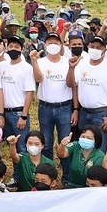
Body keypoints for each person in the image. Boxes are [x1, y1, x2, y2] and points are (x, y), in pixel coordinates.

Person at [68, 36, 107, 150]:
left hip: (102, 114)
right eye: (92, 46)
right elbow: (72, 84)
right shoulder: (81, 64)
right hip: (84, 113)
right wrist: (71, 68)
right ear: (88, 47)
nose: (95, 49)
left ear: (104, 50)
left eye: (98, 48)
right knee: (84, 147)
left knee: (101, 148)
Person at [32, 33, 74, 162]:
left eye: (56, 43)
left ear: (61, 45)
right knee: (47, 143)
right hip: (45, 107)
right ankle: (48, 173)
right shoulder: (40, 62)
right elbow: (39, 79)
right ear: (45, 45)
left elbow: (71, 84)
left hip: (64, 107)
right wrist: (34, 62)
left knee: (65, 142)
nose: (53, 46)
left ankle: (67, 178)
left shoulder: (67, 62)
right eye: (50, 43)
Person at [0, 34, 36, 145]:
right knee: (11, 146)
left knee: (22, 147)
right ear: (6, 48)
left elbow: (29, 93)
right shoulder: (1, 66)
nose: (13, 49)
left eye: (16, 46)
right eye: (11, 46)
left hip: (18, 113)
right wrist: (1, 114)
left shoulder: (27, 68)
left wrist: (23, 116)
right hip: (5, 112)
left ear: (22, 49)